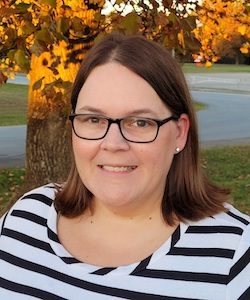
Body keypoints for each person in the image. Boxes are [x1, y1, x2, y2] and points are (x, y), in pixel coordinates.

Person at [0, 33, 249, 300]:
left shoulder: (235, 257)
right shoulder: (24, 220)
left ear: (179, 133)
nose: (113, 143)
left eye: (140, 122)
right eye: (93, 119)